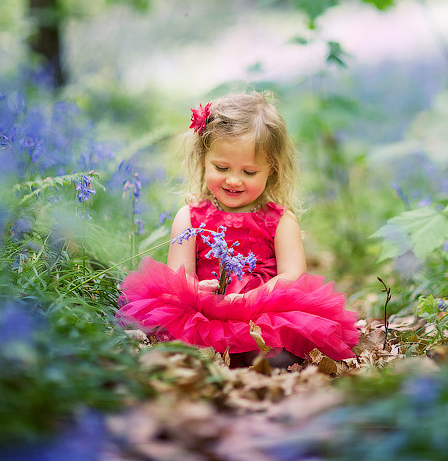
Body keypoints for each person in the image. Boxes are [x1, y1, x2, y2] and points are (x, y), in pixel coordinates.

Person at [117, 91, 359, 368]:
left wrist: (248, 299)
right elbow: (177, 275)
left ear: (272, 170)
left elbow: (293, 275)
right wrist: (197, 290)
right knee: (170, 343)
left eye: (249, 172)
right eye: (221, 167)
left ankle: (262, 360)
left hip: (262, 311)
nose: (234, 180)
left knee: (276, 351)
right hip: (204, 315)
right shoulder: (190, 217)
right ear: (203, 160)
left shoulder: (280, 220)